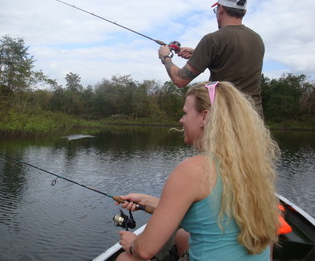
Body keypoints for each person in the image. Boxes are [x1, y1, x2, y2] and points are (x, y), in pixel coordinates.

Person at [116, 81, 280, 260]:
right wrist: (152, 202)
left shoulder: (194, 169)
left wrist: (132, 243)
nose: (181, 120)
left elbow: (144, 250)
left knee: (125, 259)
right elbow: (213, 207)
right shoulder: (251, 166)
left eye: (185, 113)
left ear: (204, 117)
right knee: (180, 237)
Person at [158, 0, 265, 115]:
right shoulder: (257, 39)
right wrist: (198, 54)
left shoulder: (213, 39)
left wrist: (165, 57)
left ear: (221, 9)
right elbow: (231, 60)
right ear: (244, 12)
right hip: (254, 117)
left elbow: (180, 80)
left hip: (225, 118)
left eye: (216, 10)